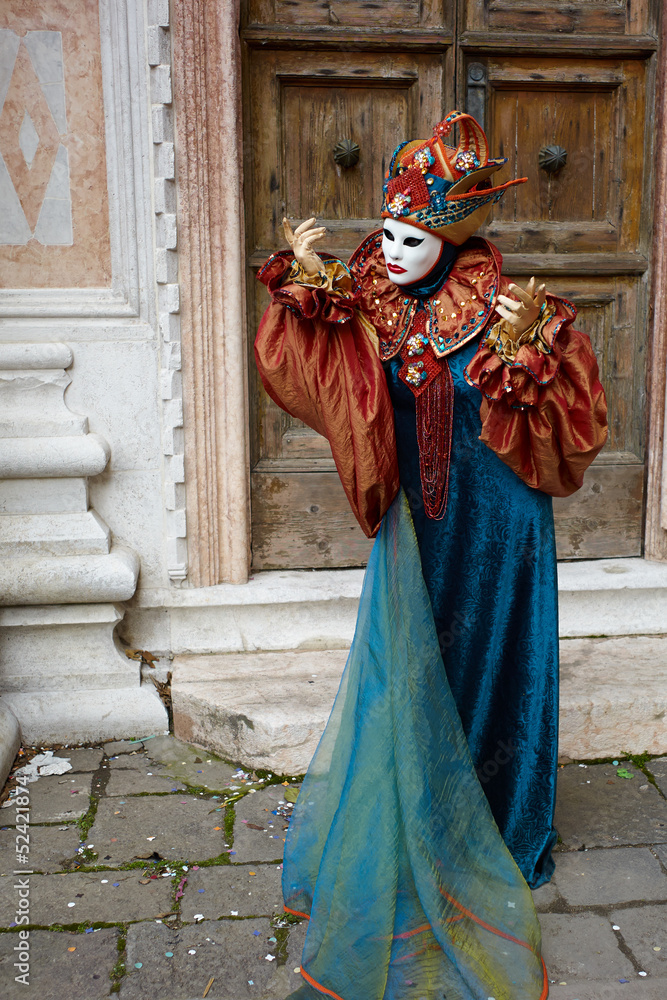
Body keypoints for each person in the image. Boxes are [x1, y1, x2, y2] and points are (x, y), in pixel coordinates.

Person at [255, 110, 607, 1000]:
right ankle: (414, 822)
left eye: (418, 237)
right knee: (416, 668)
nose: (399, 250)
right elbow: (313, 367)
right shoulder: (369, 291)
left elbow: (566, 420)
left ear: (453, 238)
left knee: (494, 663)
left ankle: (495, 832)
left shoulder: (498, 305)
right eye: (392, 232)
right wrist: (301, 287)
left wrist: (532, 354)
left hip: (498, 525)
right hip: (420, 524)